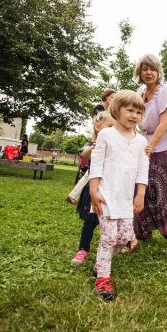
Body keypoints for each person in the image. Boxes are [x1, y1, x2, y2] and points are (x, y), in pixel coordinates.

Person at [89, 90, 148, 301]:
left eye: (138, 112)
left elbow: (143, 169)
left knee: (123, 238)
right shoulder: (107, 135)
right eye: (129, 110)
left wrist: (140, 194)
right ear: (117, 110)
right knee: (108, 237)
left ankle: (100, 263)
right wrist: (93, 190)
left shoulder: (141, 142)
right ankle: (103, 278)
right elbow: (96, 164)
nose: (134, 115)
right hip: (105, 196)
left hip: (125, 199)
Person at [133, 54, 167, 249]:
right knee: (144, 188)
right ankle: (141, 231)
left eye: (153, 69)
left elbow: (165, 122)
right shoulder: (139, 94)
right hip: (146, 143)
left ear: (158, 72)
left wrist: (151, 147)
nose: (149, 72)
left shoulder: (166, 91)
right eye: (144, 69)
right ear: (139, 72)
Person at [70, 111, 115, 265]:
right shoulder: (93, 144)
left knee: (109, 223)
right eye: (109, 126)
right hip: (94, 190)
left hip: (110, 190)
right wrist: (93, 148)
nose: (112, 130)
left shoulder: (115, 144)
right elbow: (84, 154)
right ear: (97, 126)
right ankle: (83, 250)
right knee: (90, 221)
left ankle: (105, 251)